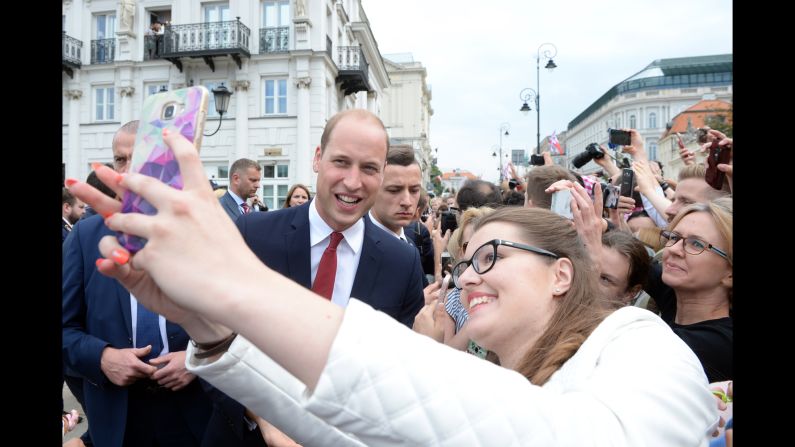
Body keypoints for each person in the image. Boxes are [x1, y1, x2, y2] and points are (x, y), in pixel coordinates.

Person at [67, 131, 719, 445]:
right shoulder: (488, 366)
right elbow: (364, 429)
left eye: (489, 253)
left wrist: (237, 284)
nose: (466, 276)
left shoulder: (640, 343)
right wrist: (208, 322)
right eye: (462, 261)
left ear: (561, 272)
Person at [62, 121, 217, 447]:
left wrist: (194, 360)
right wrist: (102, 358)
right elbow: (65, 329)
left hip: (196, 413)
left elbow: (240, 324)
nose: (128, 170)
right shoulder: (85, 238)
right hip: (117, 419)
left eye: (141, 157)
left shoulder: (208, 232)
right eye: (120, 160)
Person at [646, 198, 733, 383]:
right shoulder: (677, 297)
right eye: (675, 237)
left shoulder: (718, 343)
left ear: (729, 274)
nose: (675, 249)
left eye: (697, 244)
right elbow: (634, 261)